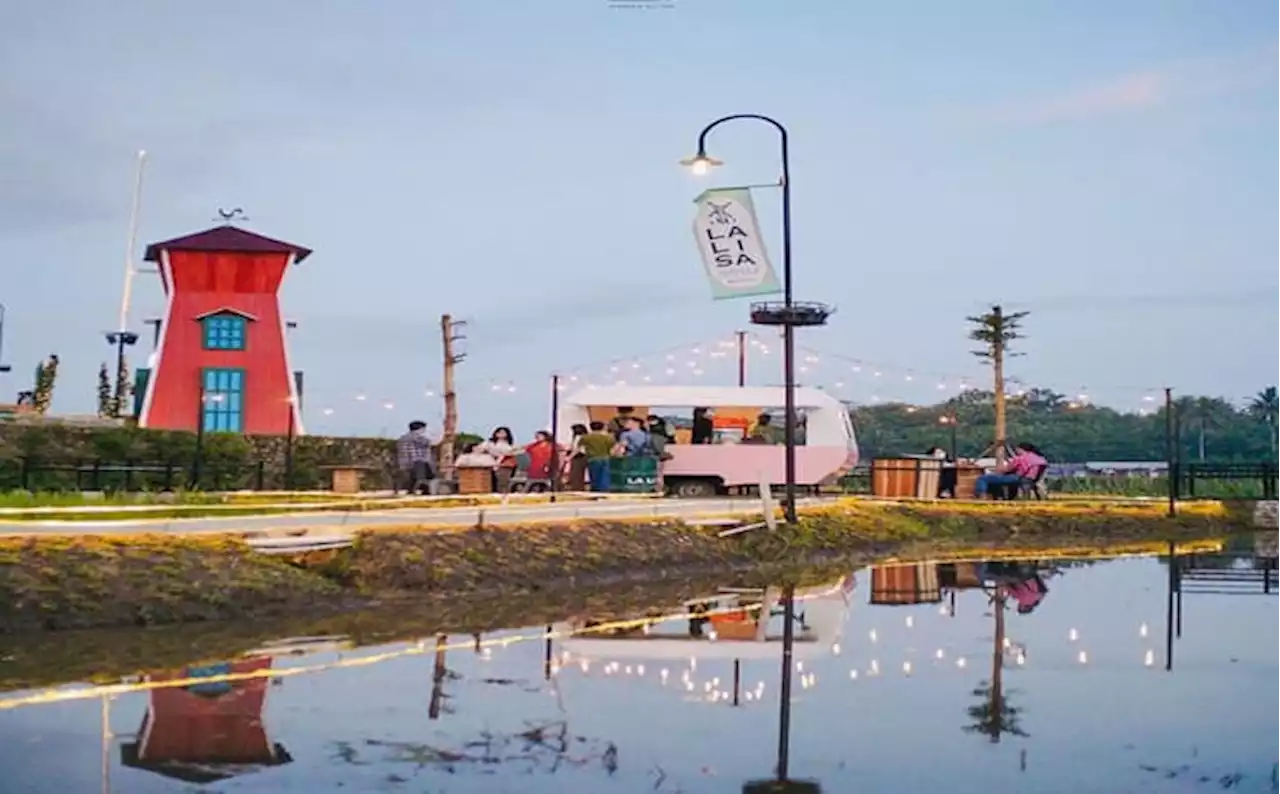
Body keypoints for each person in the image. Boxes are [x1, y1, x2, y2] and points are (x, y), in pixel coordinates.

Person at [974, 442, 1047, 498]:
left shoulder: (1020, 458)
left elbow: (1006, 470)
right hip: (1032, 480)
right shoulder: (1040, 459)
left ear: (1020, 449)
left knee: (983, 478)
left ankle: (982, 496)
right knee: (1000, 479)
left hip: (1020, 478)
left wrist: (996, 470)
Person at [396, 420, 439, 495]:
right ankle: (425, 491)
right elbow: (434, 442)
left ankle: (411, 490)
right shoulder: (418, 437)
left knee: (413, 478)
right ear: (419, 429)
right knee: (425, 478)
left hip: (405, 462)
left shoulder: (403, 438)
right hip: (418, 461)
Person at [478, 426, 519, 493]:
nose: (501, 433)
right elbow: (479, 449)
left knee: (502, 484)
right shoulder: (489, 443)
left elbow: (509, 453)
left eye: (503, 432)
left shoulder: (508, 446)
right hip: (489, 464)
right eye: (499, 432)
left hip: (504, 465)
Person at [580, 421, 616, 492]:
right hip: (605, 458)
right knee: (604, 477)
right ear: (602, 428)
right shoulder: (608, 437)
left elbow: (580, 448)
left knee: (594, 477)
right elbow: (613, 449)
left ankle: (595, 491)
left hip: (592, 459)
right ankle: (604, 491)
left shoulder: (586, 437)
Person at [567, 423, 589, 491]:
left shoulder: (579, 437)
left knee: (576, 474)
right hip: (582, 456)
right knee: (578, 474)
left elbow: (578, 448)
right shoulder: (584, 436)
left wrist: (569, 457)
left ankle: (577, 488)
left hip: (579, 456)